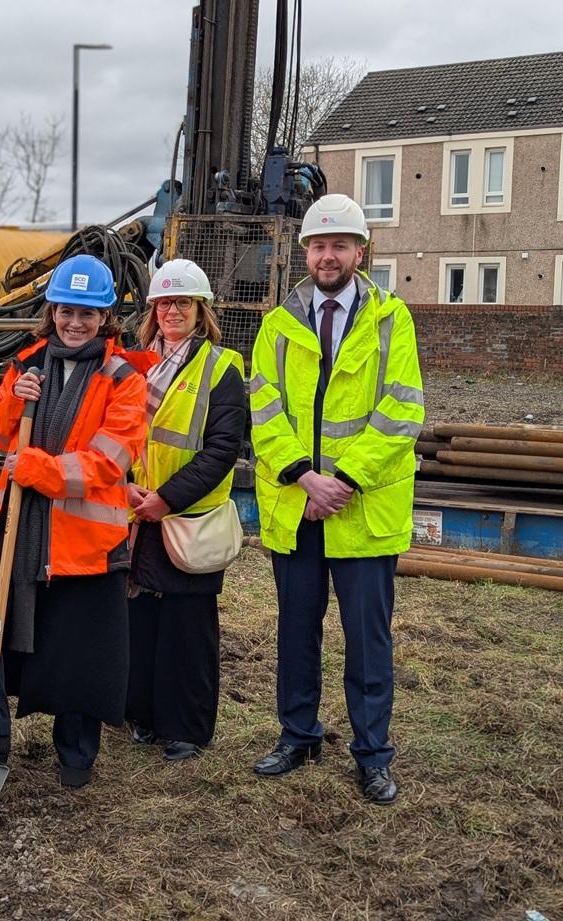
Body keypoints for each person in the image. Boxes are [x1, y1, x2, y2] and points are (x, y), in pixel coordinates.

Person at [0, 254, 147, 788]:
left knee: (79, 649)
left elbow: (111, 461)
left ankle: (76, 756)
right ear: (51, 310)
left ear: (106, 317)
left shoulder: (124, 379)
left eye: (87, 313)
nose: (75, 323)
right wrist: (14, 406)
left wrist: (41, 469)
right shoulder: (28, 362)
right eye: (66, 311)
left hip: (86, 543)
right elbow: (0, 435)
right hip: (18, 529)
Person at [249, 194, 424, 805]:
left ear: (360, 252)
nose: (328, 255)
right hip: (298, 504)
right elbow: (264, 408)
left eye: (340, 245)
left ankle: (372, 753)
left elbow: (401, 409)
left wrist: (342, 481)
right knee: (296, 630)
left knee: (367, 638)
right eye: (318, 245)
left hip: (362, 506)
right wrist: (303, 475)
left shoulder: (390, 320)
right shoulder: (278, 323)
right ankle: (298, 735)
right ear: (305, 253)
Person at [124, 260, 246, 762]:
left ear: (201, 311)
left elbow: (222, 451)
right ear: (153, 310)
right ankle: (143, 716)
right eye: (165, 303)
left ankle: (187, 728)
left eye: (184, 303)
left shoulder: (222, 367)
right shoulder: (134, 364)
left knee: (188, 628)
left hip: (186, 516)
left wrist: (166, 498)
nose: (173, 311)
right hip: (135, 511)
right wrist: (126, 489)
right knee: (140, 619)